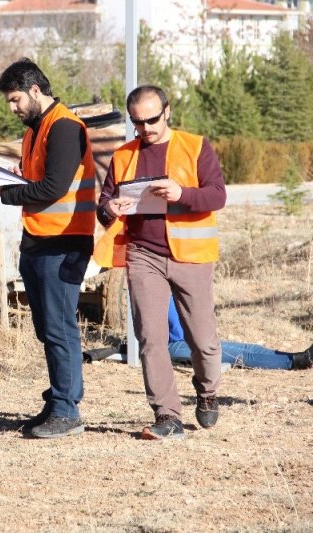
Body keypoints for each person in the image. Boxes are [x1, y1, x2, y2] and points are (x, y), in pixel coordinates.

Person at [94, 84, 226, 440]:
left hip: (191, 257)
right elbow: (105, 202)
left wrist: (181, 193)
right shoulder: (123, 155)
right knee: (150, 337)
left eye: (152, 119)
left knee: (203, 339)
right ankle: (167, 415)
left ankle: (208, 390)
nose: (146, 128)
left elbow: (217, 195)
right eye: (138, 122)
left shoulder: (195, 146)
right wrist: (109, 208)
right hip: (142, 253)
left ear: (167, 111)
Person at [0, 58, 96, 439]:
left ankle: (67, 409)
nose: (12, 107)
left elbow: (53, 188)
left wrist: (7, 193)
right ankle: (59, 400)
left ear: (36, 90)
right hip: (38, 239)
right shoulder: (35, 130)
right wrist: (15, 182)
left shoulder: (64, 126)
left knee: (59, 327)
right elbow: (39, 182)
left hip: (63, 242)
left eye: (16, 99)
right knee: (46, 327)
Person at [167, 297, 313, 370]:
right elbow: (175, 329)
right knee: (240, 356)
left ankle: (297, 356)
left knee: (249, 348)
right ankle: (295, 361)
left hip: (190, 337)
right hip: (175, 344)